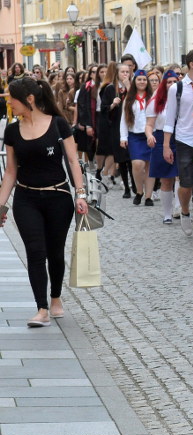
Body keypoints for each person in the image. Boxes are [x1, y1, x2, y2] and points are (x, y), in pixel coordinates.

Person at [0, 77, 89, 327]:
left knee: (55, 252)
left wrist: (80, 194)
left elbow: (73, 161)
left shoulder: (58, 124)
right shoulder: (11, 131)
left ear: (29, 99)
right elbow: (10, 172)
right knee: (35, 252)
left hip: (58, 197)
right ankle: (41, 308)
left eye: (12, 99)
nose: (10, 103)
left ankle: (56, 297)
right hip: (26, 198)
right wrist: (1, 205)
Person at [163, 49, 193, 238]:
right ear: (192, 64)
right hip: (184, 139)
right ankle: (184, 210)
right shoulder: (177, 88)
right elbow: (169, 119)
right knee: (186, 184)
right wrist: (166, 145)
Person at [145, 69, 179, 224]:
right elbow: (149, 124)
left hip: (181, 137)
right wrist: (149, 135)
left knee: (182, 177)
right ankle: (167, 213)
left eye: (175, 82)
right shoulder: (156, 102)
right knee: (166, 179)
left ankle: (180, 208)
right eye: (169, 82)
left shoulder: (183, 99)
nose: (172, 85)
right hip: (161, 137)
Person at [118, 69, 154, 205]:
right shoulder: (129, 98)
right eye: (139, 79)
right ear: (135, 81)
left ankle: (148, 196)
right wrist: (123, 137)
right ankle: (139, 190)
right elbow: (124, 119)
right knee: (137, 164)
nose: (142, 82)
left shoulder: (152, 97)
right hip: (135, 135)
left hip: (150, 135)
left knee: (150, 166)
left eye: (144, 79)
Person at [100, 62, 136, 198]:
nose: (125, 74)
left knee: (131, 157)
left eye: (127, 72)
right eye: (123, 72)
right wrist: (112, 105)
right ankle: (126, 187)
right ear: (117, 74)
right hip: (116, 126)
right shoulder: (110, 89)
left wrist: (128, 87)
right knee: (121, 158)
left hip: (131, 124)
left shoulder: (133, 87)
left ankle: (134, 184)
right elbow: (104, 110)